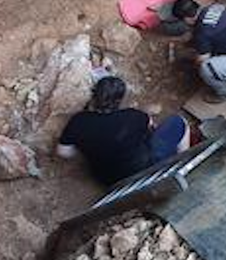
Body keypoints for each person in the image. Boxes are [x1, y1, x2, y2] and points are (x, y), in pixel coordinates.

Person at [55, 76, 190, 186]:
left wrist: (86, 146)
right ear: (119, 100)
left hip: (107, 179)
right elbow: (150, 125)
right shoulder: (133, 116)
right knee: (178, 122)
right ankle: (182, 166)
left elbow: (63, 151)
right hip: (141, 170)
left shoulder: (79, 121)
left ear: (93, 95)